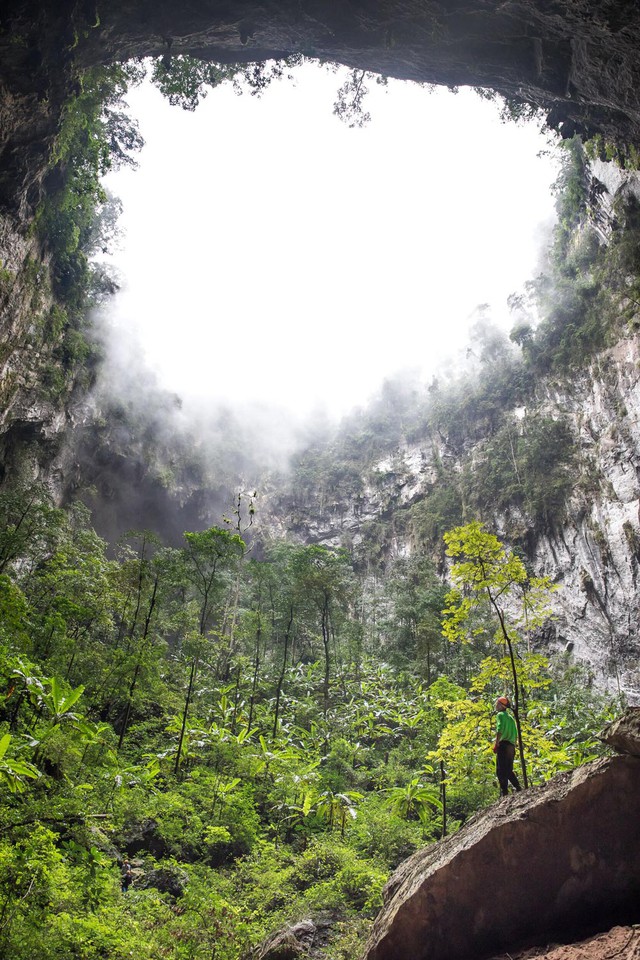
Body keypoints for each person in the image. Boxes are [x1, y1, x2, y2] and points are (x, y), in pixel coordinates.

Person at [493, 696, 522, 797]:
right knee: (508, 770)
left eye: (497, 704)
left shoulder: (500, 715)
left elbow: (499, 728)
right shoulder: (510, 718)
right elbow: (515, 733)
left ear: (501, 705)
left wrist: (496, 743)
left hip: (503, 745)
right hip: (511, 746)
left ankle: (504, 793)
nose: (496, 705)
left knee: (500, 770)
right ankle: (518, 787)